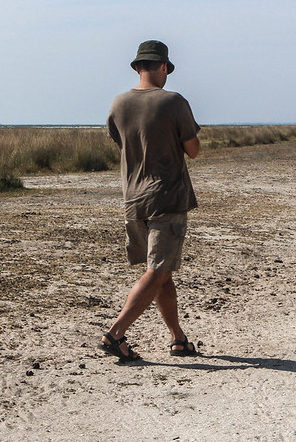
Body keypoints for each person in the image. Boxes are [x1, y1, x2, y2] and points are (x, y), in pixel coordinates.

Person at [100, 39, 201, 362]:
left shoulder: (118, 104)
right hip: (167, 198)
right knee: (158, 271)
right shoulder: (173, 102)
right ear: (162, 67)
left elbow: (123, 147)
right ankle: (115, 334)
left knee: (161, 272)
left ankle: (178, 338)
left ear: (136, 67)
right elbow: (194, 150)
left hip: (133, 200)